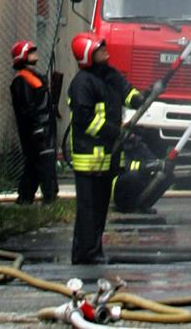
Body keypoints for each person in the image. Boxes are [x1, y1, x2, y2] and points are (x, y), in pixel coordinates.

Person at [68, 32, 148, 264]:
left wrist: (142, 97)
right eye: (99, 48)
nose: (105, 50)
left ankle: (93, 250)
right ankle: (85, 253)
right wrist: (117, 132)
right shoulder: (82, 83)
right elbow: (86, 121)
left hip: (109, 156)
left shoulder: (110, 76)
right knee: (88, 209)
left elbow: (127, 93)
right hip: (89, 158)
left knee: (101, 208)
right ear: (87, 55)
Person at [10, 40, 58, 205]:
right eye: (30, 52)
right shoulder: (22, 80)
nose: (35, 54)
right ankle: (48, 199)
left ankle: (25, 199)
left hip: (44, 129)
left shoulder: (32, 77)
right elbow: (28, 108)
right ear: (23, 56)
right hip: (38, 133)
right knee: (43, 166)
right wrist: (37, 129)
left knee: (35, 166)